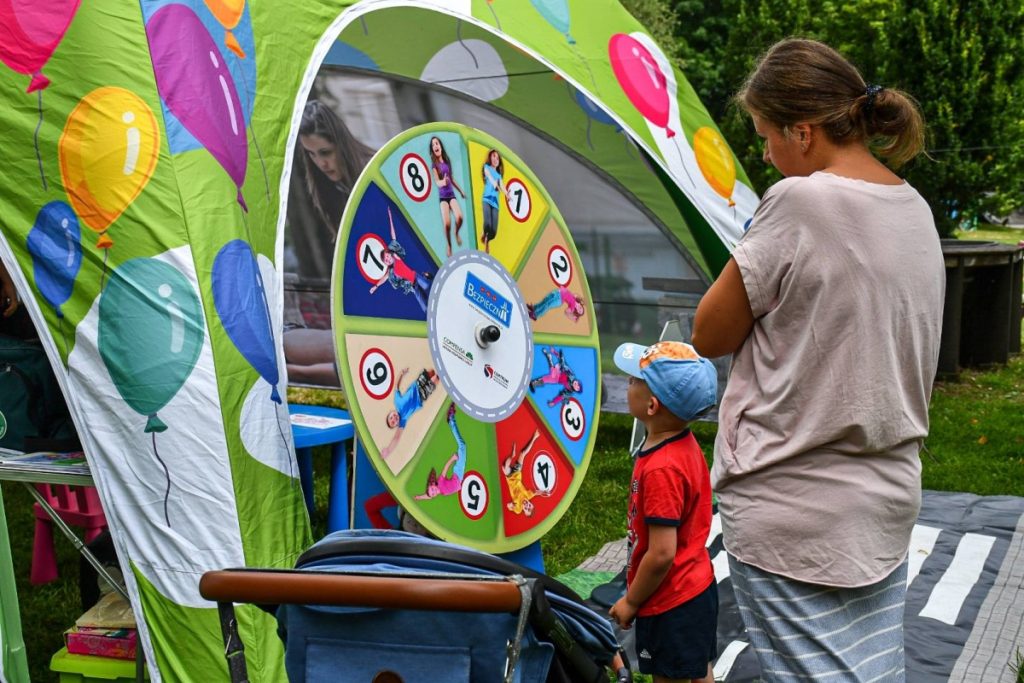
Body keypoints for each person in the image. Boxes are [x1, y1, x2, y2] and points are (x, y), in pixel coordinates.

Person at [691, 38, 943, 682]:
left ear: (802, 132)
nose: (765, 155)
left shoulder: (800, 201)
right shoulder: (913, 207)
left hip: (792, 510)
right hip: (885, 503)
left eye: (765, 136)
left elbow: (709, 332)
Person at [608, 341, 718, 683]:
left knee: (670, 676)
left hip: (671, 601)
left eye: (633, 381)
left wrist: (631, 601)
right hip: (696, 588)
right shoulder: (683, 444)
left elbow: (661, 553)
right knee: (698, 669)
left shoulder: (662, 469)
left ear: (652, 405)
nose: (627, 384)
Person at [297, 99, 374, 239]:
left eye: (325, 152)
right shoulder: (326, 188)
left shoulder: (374, 172)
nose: (321, 164)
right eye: (311, 154)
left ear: (341, 144)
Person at [369, 207, 434, 313]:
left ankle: (428, 277)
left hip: (416, 278)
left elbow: (393, 236)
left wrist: (390, 217)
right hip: (413, 287)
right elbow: (384, 278)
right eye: (385, 260)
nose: (387, 259)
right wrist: (375, 286)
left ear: (390, 254)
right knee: (426, 308)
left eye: (387, 256)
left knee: (429, 289)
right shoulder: (391, 271)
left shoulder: (396, 256)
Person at [379, 367, 440, 461]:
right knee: (436, 378)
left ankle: (434, 372)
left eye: (391, 417)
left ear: (391, 412)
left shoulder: (397, 402)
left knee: (431, 372)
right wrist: (388, 450)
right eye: (393, 422)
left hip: (418, 383)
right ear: (397, 424)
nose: (394, 419)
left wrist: (401, 373)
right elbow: (396, 438)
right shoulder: (402, 421)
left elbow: (396, 386)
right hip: (422, 395)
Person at [414, 404, 466, 500]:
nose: (434, 491)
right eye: (433, 493)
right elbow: (428, 496)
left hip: (458, 474)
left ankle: (451, 419)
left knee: (462, 446)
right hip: (459, 476)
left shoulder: (440, 482)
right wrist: (420, 497)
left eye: (432, 489)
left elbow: (445, 469)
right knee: (462, 446)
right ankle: (451, 420)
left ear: (432, 484)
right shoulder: (440, 492)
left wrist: (453, 458)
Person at [429, 136, 466, 257]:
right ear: (432, 150)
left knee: (460, 217)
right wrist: (443, 182)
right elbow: (437, 182)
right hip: (443, 198)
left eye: (437, 143)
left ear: (440, 146)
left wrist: (461, 191)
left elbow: (452, 178)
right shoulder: (434, 165)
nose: (435, 146)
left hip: (451, 195)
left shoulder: (447, 161)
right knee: (447, 224)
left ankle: (456, 232)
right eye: (433, 145)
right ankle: (449, 244)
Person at [500, 428, 548, 516]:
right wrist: (544, 492)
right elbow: (536, 493)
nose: (527, 505)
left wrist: (511, 505)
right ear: (530, 503)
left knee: (504, 467)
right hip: (517, 473)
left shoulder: (518, 509)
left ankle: (512, 455)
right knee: (522, 453)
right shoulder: (528, 496)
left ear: (524, 511)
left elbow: (508, 506)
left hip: (510, 478)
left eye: (527, 509)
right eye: (530, 505)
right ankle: (534, 437)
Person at [480, 149, 510, 253]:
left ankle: (487, 239)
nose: (496, 159)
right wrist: (494, 185)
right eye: (494, 156)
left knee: (493, 232)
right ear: (490, 157)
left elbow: (502, 185)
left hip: (495, 203)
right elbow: (489, 176)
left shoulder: (498, 176)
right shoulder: (486, 167)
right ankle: (485, 235)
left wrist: (507, 194)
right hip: (487, 199)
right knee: (487, 224)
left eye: (497, 158)